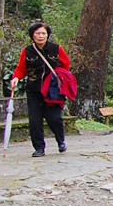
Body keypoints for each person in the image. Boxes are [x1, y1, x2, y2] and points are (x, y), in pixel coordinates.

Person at [10, 22, 71, 157]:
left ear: (48, 35)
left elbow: (66, 64)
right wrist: (16, 78)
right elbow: (21, 68)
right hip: (34, 90)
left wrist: (60, 78)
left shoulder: (56, 48)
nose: (41, 36)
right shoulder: (27, 51)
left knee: (54, 118)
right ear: (33, 35)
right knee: (35, 120)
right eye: (38, 33)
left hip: (52, 91)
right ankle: (39, 148)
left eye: (43, 33)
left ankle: (61, 140)